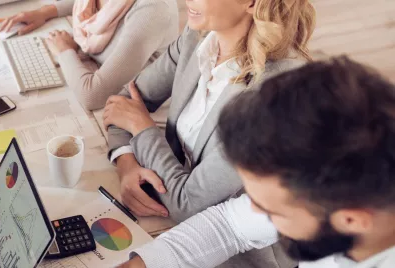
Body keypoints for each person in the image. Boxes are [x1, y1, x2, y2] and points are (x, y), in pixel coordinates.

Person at [117, 57, 395, 268]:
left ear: (351, 220)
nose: (256, 212)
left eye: (273, 212)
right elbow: (227, 226)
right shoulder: (338, 203)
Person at [102, 0, 315, 266]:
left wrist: (143, 128)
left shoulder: (275, 97)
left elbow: (189, 204)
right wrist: (127, 163)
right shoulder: (198, 36)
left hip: (234, 253)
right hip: (165, 208)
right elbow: (123, 103)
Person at [0, 0, 179, 110]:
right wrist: (45, 12)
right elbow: (92, 4)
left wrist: (65, 50)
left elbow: (92, 96)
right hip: (94, 73)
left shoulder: (153, 9)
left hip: (133, 109)